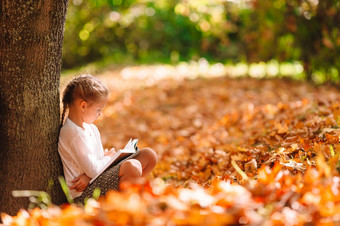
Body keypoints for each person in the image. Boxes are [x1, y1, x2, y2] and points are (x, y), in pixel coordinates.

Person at [58, 74, 158, 203]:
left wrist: (93, 172)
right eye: (98, 110)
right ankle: (125, 207)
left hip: (93, 180)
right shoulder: (72, 133)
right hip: (84, 195)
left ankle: (132, 196)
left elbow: (95, 166)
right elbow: (94, 170)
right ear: (83, 106)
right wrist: (108, 158)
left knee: (149, 155)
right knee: (131, 167)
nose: (100, 114)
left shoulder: (91, 128)